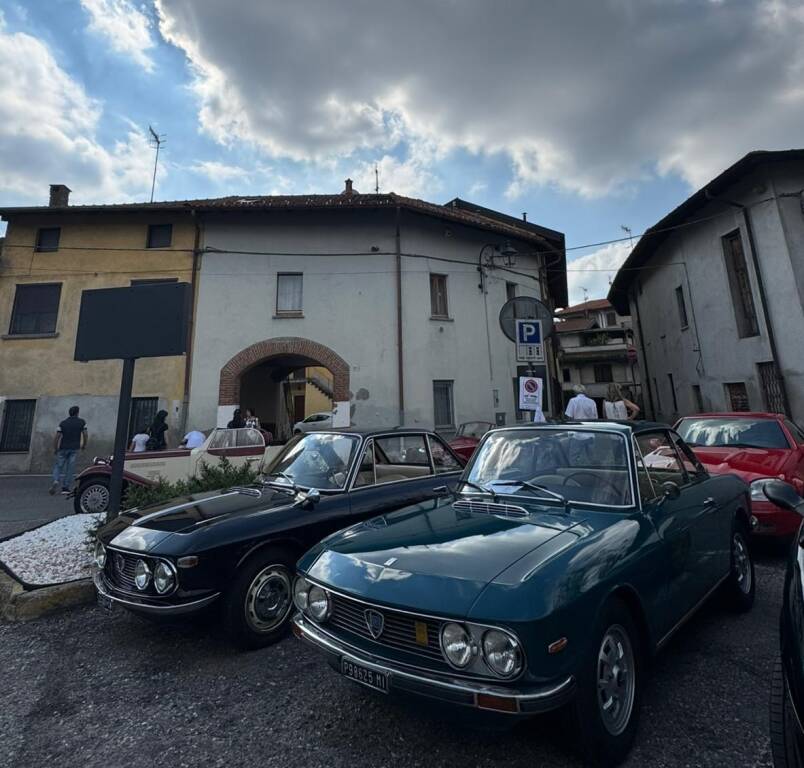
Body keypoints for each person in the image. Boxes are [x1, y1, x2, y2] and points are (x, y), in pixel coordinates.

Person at [50, 406, 87, 495]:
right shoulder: (82, 422)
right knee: (70, 468)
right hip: (74, 448)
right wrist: (84, 445)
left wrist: (55, 448)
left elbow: (57, 436)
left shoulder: (63, 423)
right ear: (77, 413)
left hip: (63, 447)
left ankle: (56, 480)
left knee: (58, 466)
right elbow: (85, 434)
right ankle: (65, 488)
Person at [564, 384, 597, 466]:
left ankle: (574, 472)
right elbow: (595, 417)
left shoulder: (573, 401)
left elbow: (569, 416)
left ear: (575, 392)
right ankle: (595, 471)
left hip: (577, 433)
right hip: (590, 433)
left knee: (573, 458)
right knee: (592, 458)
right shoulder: (591, 401)